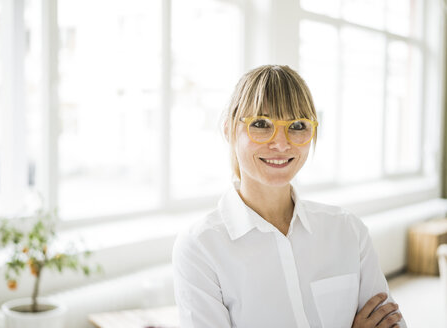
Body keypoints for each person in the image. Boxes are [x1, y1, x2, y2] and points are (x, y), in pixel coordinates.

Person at [172, 65, 406, 328]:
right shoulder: (201, 247)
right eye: (261, 124)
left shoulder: (349, 231)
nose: (282, 144)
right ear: (228, 130)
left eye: (297, 125)